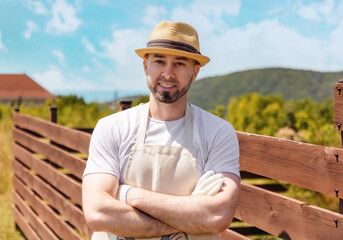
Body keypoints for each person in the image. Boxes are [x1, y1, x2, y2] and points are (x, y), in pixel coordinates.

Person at [82, 20, 240, 240]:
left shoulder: (218, 132)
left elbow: (217, 216)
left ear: (195, 72)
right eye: (159, 61)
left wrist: (127, 194)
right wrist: (191, 214)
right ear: (146, 65)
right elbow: (97, 213)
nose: (168, 73)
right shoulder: (112, 128)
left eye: (180, 63)